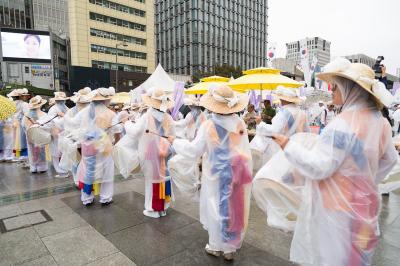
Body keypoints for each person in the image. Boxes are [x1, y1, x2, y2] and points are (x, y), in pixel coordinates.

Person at [271, 58, 397, 266]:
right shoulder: (381, 122)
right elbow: (390, 160)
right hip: (366, 204)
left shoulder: (341, 125)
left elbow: (318, 167)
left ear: (350, 89)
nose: (332, 91)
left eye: (336, 87)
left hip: (337, 209)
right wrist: (366, 181)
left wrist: (288, 145)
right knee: (357, 258)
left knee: (334, 259)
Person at [169, 85, 252, 261]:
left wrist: (175, 141)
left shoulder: (209, 125)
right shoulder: (239, 122)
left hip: (215, 175)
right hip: (236, 173)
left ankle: (216, 246)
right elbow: (243, 149)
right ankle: (229, 248)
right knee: (233, 207)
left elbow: (193, 150)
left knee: (215, 209)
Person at [123, 88, 176, 218]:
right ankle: (162, 207)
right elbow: (173, 136)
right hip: (165, 151)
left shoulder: (146, 116)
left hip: (150, 152)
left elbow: (134, 132)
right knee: (163, 177)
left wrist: (127, 123)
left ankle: (153, 209)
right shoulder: (168, 117)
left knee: (151, 181)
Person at [72, 87, 120, 206]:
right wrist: (116, 142)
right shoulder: (110, 113)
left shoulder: (84, 111)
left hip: (88, 146)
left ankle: (87, 197)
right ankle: (105, 197)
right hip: (105, 146)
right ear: (106, 100)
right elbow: (117, 131)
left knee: (88, 170)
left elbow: (74, 124)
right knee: (107, 171)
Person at [250, 86, 309, 172]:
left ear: (283, 99)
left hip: (282, 147)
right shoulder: (302, 112)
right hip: (297, 147)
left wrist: (260, 123)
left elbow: (273, 131)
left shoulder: (283, 113)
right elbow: (307, 131)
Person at [60, 87, 92, 186]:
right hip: (85, 139)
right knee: (81, 160)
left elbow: (67, 125)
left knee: (77, 159)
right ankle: (81, 180)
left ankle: (78, 180)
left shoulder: (72, 111)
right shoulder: (90, 110)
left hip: (76, 139)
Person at [23, 96, 50, 173]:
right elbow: (47, 126)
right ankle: (41, 167)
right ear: (40, 105)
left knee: (31, 151)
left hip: (29, 134)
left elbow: (23, 125)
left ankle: (33, 167)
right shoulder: (44, 114)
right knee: (41, 151)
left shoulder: (27, 115)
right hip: (40, 135)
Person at [47, 92, 70, 178]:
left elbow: (50, 121)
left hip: (60, 132)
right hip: (60, 132)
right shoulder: (64, 108)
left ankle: (62, 171)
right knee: (60, 152)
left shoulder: (58, 108)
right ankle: (63, 170)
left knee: (57, 152)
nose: (62, 102)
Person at [7, 88, 30, 163]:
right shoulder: (24, 104)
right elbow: (27, 114)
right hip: (21, 123)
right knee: (22, 140)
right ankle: (23, 156)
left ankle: (16, 155)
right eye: (24, 95)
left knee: (14, 140)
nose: (25, 97)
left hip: (12, 123)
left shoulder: (10, 104)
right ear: (21, 96)